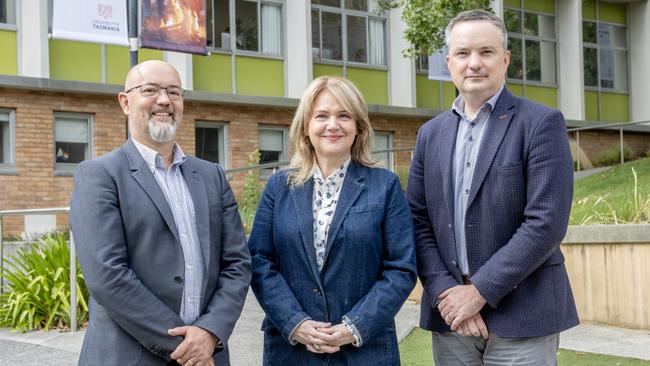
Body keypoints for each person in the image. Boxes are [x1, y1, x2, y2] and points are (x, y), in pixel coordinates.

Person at [406, 9, 579, 365]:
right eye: (463, 54)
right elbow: (418, 221)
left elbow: (545, 223)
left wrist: (480, 292)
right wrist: (446, 295)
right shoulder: (430, 135)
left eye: (485, 52)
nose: (474, 64)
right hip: (451, 316)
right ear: (448, 61)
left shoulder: (541, 123)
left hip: (523, 313)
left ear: (505, 59)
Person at [70, 60, 251, 366]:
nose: (164, 100)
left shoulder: (212, 176)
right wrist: (185, 346)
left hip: (209, 353)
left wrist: (210, 331)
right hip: (130, 356)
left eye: (174, 92)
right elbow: (107, 275)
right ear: (125, 102)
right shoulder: (99, 175)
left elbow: (237, 263)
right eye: (150, 90)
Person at [248, 76, 417, 365]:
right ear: (306, 126)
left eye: (344, 116)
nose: (332, 125)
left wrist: (354, 327)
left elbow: (401, 269)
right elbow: (260, 261)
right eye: (322, 116)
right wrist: (295, 322)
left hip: (364, 350)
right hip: (292, 351)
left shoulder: (385, 186)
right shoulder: (279, 187)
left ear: (358, 127)